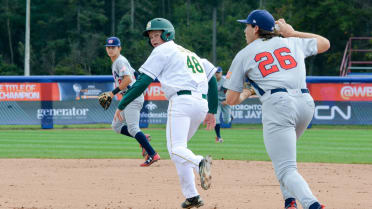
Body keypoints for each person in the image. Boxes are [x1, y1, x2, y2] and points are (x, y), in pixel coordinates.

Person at [224, 10, 330, 209]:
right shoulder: (291, 42)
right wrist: (292, 32)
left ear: (255, 28)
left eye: (246, 26)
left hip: (279, 104)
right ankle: (290, 202)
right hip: (305, 103)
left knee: (286, 169)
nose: (244, 30)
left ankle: (313, 205)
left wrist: (247, 93)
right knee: (283, 159)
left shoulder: (245, 54)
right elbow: (325, 43)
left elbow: (230, 99)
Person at [113, 18, 218, 209]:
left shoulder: (162, 50)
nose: (153, 39)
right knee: (180, 151)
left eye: (156, 34)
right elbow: (212, 80)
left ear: (167, 34)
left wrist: (122, 104)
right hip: (200, 104)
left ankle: (200, 162)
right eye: (151, 36)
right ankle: (192, 196)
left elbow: (142, 82)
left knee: (175, 149)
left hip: (181, 101)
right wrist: (212, 110)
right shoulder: (189, 54)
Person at [105, 36, 160, 167]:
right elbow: (134, 74)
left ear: (119, 48)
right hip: (128, 97)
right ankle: (143, 138)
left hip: (132, 97)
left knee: (133, 128)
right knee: (116, 126)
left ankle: (153, 154)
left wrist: (113, 93)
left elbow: (128, 79)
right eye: (108, 47)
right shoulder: (118, 62)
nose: (111, 50)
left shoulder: (120, 61)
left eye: (114, 47)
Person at [214, 66, 232, 143]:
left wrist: (227, 100)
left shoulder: (225, 81)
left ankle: (230, 116)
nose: (217, 74)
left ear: (221, 73)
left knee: (226, 121)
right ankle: (218, 137)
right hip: (216, 102)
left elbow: (232, 92)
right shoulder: (211, 80)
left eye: (218, 72)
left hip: (225, 101)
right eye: (216, 72)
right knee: (216, 119)